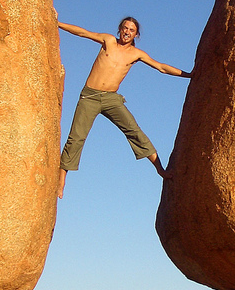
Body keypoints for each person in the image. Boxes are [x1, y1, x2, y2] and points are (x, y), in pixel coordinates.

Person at [57, 16, 191, 198]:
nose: (127, 32)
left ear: (136, 34)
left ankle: (161, 170)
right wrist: (57, 23)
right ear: (120, 29)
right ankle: (62, 178)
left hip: (112, 99)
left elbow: (161, 67)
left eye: (132, 30)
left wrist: (189, 75)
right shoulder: (108, 41)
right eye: (125, 28)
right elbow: (83, 32)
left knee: (134, 130)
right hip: (90, 96)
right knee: (77, 136)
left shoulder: (136, 54)